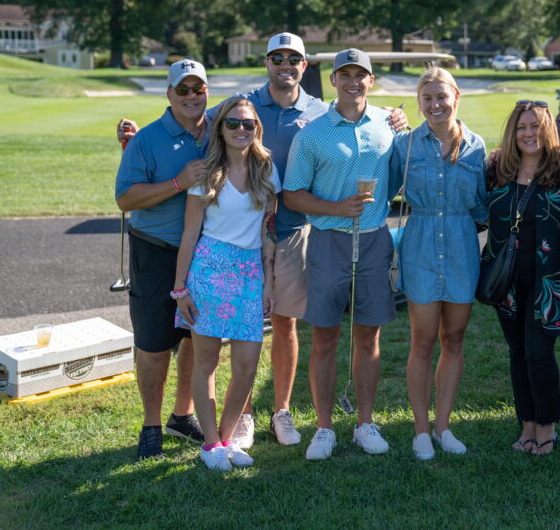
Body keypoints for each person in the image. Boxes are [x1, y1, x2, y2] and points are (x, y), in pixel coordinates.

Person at [117, 34, 407, 449]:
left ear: (305, 67)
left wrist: (395, 118)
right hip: (229, 244)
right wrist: (135, 136)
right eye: (277, 58)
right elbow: (196, 118)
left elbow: (360, 116)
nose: (285, 64)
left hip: (290, 234)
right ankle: (240, 417)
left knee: (283, 324)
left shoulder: (322, 110)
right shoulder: (244, 103)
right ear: (268, 62)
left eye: (294, 58)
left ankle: (282, 410)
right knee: (215, 337)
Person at [283, 48, 397, 461]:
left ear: (371, 80)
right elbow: (292, 194)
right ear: (333, 80)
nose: (353, 81)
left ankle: (365, 422)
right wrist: (336, 208)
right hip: (329, 240)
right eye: (344, 74)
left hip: (373, 239)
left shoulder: (387, 125)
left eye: (361, 74)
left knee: (368, 335)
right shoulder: (312, 133)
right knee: (326, 336)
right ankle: (325, 427)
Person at [172, 97, 279, 470]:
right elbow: (189, 236)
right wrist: (180, 289)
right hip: (209, 269)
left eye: (247, 124)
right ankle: (211, 445)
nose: (240, 130)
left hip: (250, 272)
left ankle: (228, 437)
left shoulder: (266, 170)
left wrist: (269, 282)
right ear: (220, 129)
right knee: (207, 362)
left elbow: (268, 231)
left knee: (247, 365)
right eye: (232, 123)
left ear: (256, 129)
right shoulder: (205, 173)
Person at [388, 68, 488, 460]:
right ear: (419, 102)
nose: (435, 105)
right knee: (424, 340)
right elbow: (385, 192)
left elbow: (482, 203)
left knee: (455, 339)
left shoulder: (477, 147)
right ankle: (420, 431)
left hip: (463, 247)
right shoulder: (406, 146)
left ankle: (444, 426)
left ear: (456, 97)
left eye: (441, 97)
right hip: (421, 247)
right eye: (427, 99)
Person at [114, 59, 209, 460]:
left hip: (204, 251)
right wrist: (177, 183)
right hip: (155, 249)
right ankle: (151, 423)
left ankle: (181, 414)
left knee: (194, 338)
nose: (191, 96)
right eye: (182, 89)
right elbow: (125, 198)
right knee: (154, 343)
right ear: (169, 94)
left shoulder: (219, 131)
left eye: (198, 89)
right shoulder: (147, 140)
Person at [483, 100, 560, 456]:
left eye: (536, 127)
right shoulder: (496, 169)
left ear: (548, 130)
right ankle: (526, 423)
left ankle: (546, 426)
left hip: (550, 279)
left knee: (539, 354)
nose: (529, 134)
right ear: (513, 132)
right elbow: (479, 214)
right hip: (505, 278)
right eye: (522, 127)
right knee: (517, 353)